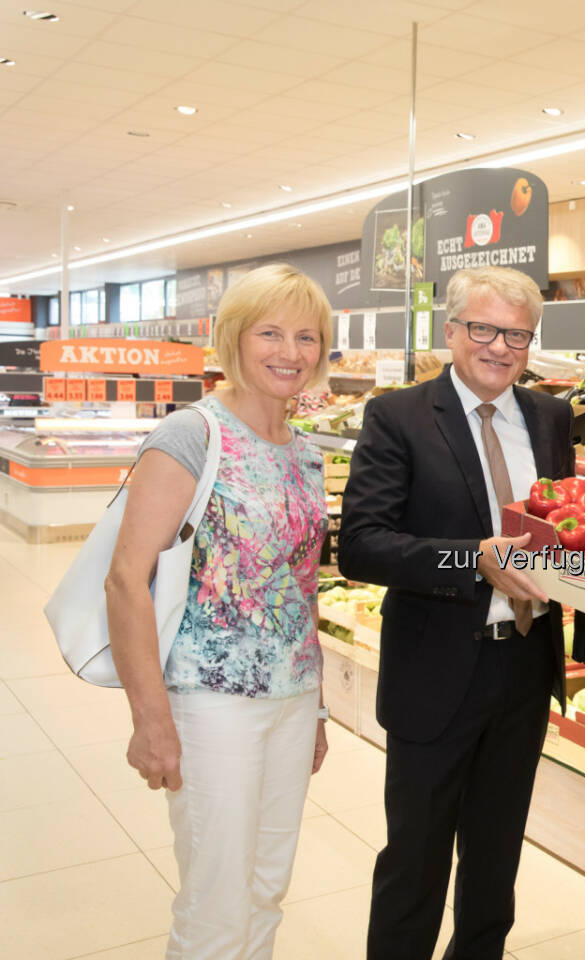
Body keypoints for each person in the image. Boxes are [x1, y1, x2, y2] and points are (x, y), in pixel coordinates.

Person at [339, 267, 572, 960]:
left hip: (525, 666)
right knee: (416, 863)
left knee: (495, 863)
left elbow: (562, 532)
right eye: (484, 329)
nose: (500, 347)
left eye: (517, 335)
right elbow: (363, 547)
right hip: (436, 671)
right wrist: (470, 559)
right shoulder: (399, 416)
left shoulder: (550, 417)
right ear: (451, 332)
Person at [105, 263, 333, 958]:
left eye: (306, 336)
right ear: (233, 337)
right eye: (270, 332)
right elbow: (125, 582)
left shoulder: (307, 454)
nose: (289, 352)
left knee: (266, 884)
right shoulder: (191, 436)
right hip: (211, 703)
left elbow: (301, 589)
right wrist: (151, 721)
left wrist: (317, 707)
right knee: (215, 898)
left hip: (291, 699)